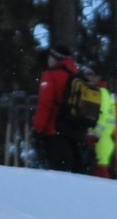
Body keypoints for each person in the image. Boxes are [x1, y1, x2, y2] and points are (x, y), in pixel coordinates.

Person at [32, 44, 90, 174]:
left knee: (58, 176)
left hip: (55, 131)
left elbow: (45, 105)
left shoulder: (51, 75)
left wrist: (37, 130)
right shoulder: (79, 76)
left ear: (54, 58)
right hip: (77, 134)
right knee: (76, 178)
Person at [84, 67, 117, 179]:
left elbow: (102, 117)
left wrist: (93, 137)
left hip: (99, 143)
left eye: (90, 74)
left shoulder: (100, 93)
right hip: (103, 142)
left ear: (98, 77)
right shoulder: (104, 93)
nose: (86, 76)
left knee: (99, 177)